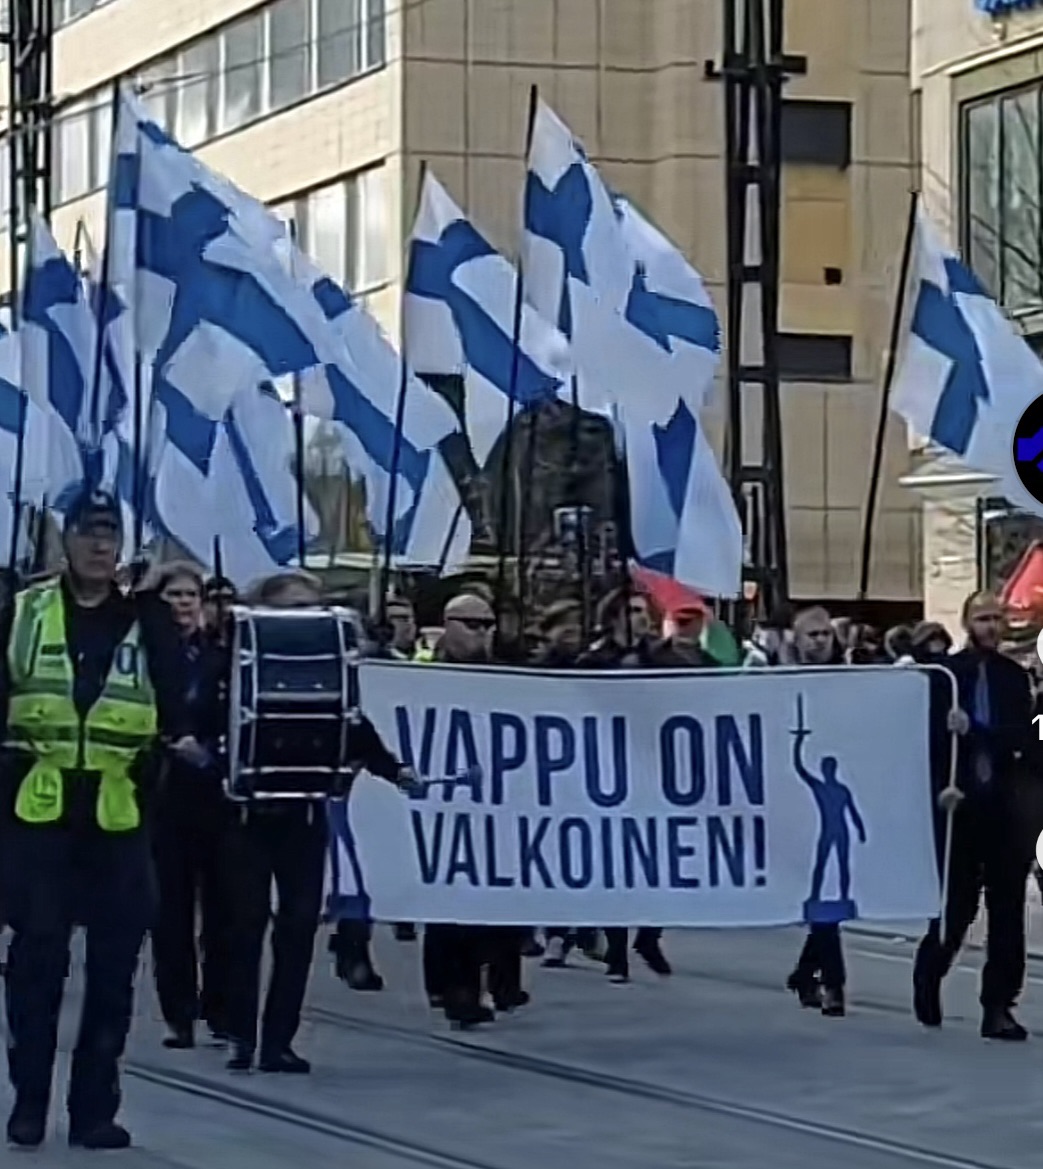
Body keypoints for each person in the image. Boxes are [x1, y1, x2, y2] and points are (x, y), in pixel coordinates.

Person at [0, 488, 194, 1150]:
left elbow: (175, 703)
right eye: (88, 532)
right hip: (40, 808)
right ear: (66, 539)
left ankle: (94, 1110)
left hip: (119, 811)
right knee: (36, 965)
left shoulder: (147, 617)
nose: (99, 545)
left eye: (110, 534)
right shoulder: (23, 610)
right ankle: (29, 1101)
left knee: (114, 970)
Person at [220, 571, 413, 1074]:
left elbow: (353, 724)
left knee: (300, 924)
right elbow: (208, 715)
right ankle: (239, 1030)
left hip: (303, 813)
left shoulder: (331, 668)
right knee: (244, 924)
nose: (306, 621)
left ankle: (278, 1039)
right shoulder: (236, 661)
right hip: (246, 815)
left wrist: (396, 771)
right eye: (293, 610)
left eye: (312, 609)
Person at [912, 590, 1033, 1040]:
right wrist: (937, 788)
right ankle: (930, 974)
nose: (992, 627)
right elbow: (926, 739)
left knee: (1007, 911)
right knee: (957, 906)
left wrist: (978, 731)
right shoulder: (946, 676)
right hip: (958, 806)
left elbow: (1019, 736)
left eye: (998, 619)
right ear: (967, 623)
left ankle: (999, 1005)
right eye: (983, 619)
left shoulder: (1013, 678)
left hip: (1003, 808)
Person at [421, 593, 528, 1026]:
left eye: (487, 624)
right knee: (451, 902)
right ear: (448, 625)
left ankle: (501, 981)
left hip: (497, 804)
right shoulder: (422, 675)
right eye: (472, 624)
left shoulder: (503, 676)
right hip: (445, 804)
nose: (482, 633)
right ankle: (455, 989)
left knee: (500, 899)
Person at [146, 561, 230, 1050]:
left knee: (222, 911)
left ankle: (220, 1009)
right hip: (164, 796)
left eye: (189, 594)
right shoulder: (144, 654)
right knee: (170, 914)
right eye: (173, 594)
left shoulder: (221, 655)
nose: (182, 603)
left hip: (214, 795)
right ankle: (178, 1014)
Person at [784, 605, 849, 1017]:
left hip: (840, 802)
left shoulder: (851, 680)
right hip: (796, 810)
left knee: (830, 902)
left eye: (826, 633)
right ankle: (823, 979)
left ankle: (817, 976)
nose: (821, 640)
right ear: (797, 640)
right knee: (822, 898)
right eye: (813, 634)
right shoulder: (781, 683)